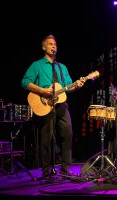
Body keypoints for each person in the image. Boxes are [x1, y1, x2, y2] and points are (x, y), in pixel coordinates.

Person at [21, 35, 84, 178]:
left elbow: (69, 87)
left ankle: (65, 168)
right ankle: (46, 171)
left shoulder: (62, 67)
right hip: (44, 104)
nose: (53, 46)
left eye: (55, 44)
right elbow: (25, 82)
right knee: (46, 138)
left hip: (61, 104)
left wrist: (78, 85)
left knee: (68, 134)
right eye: (50, 44)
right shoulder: (37, 65)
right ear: (44, 47)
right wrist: (42, 91)